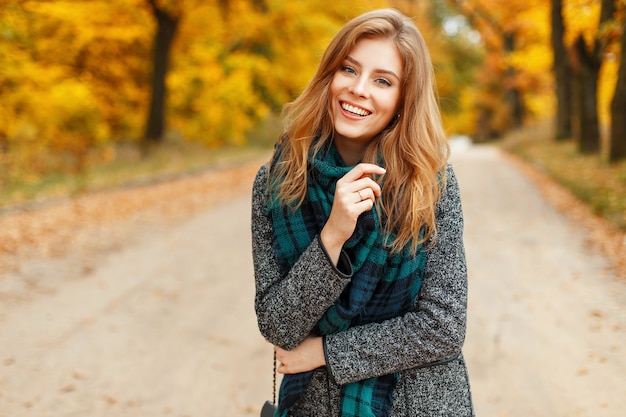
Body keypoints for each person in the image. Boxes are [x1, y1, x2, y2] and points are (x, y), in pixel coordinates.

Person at [251, 8, 474, 417]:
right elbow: (278, 326)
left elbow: (443, 326)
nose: (358, 89)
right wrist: (333, 234)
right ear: (328, 77)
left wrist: (324, 351)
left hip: (416, 403)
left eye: (383, 81)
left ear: (404, 101)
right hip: (315, 406)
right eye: (348, 70)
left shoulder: (431, 184)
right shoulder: (278, 182)